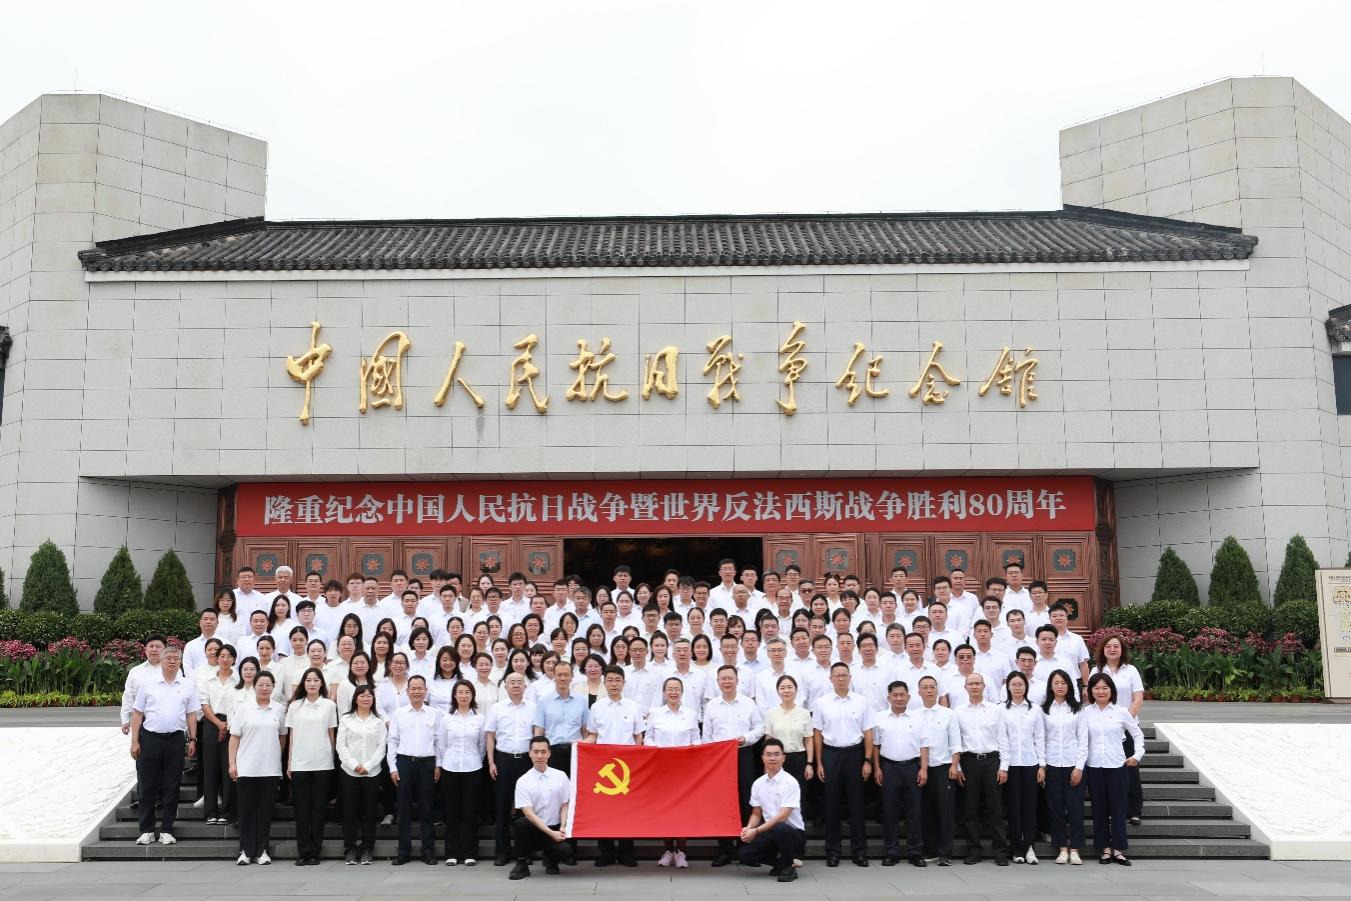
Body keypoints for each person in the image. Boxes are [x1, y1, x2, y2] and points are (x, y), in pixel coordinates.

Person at [129, 645, 200, 845]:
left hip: (176, 740)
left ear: (180, 662)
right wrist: (134, 741)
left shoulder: (187, 684)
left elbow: (191, 714)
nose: (172, 661)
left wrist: (193, 739)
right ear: (161, 661)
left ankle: (167, 829)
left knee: (172, 785)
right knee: (147, 785)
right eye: (168, 658)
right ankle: (146, 830)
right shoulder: (148, 683)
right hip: (150, 739)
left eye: (176, 659)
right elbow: (138, 713)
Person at [703, 664, 764, 867]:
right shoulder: (711, 706)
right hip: (719, 758)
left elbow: (759, 728)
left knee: (746, 799)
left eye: (730, 678)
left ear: (738, 681)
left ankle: (747, 849)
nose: (727, 682)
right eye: (723, 678)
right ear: (718, 682)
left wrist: (745, 738)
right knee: (722, 801)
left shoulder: (748, 703)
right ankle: (725, 849)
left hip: (743, 754)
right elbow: (707, 736)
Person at [813, 661, 873, 868]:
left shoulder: (861, 702)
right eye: (836, 675)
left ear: (850, 678)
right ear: (830, 679)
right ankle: (833, 852)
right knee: (831, 804)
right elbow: (817, 734)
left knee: (857, 804)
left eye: (844, 675)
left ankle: (859, 851)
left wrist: (867, 760)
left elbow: (868, 732)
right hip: (831, 754)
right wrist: (819, 763)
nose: (840, 678)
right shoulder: (822, 703)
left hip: (855, 754)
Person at [1083, 672, 1145, 866]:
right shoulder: (1085, 713)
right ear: (1091, 691)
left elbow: (1138, 734)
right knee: (1099, 809)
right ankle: (1104, 849)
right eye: (1096, 688)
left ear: (1111, 690)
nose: (1100, 691)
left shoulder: (1121, 712)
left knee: (1118, 809)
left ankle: (1118, 849)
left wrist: (1136, 756)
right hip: (1094, 767)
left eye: (1105, 688)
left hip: (1117, 767)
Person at [584, 665, 644, 867]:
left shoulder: (633, 706)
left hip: (628, 766)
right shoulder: (597, 707)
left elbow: (638, 737)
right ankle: (606, 853)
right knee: (604, 810)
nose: (614, 684)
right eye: (610, 680)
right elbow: (593, 735)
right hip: (604, 767)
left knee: (628, 810)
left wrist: (638, 762)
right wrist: (579, 745)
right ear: (605, 683)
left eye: (618, 680)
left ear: (624, 683)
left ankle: (626, 853)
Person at [229, 670, 287, 866]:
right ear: (254, 686)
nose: (264, 688)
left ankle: (262, 851)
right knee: (246, 812)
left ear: (273, 687)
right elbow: (234, 737)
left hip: (270, 769)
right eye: (260, 685)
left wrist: (275, 754)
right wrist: (232, 763)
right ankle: (245, 851)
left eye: (268, 685)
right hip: (247, 767)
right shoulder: (244, 709)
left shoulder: (279, 709)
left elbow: (282, 736)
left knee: (265, 812)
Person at [387, 675, 445, 865]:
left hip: (427, 764)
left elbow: (439, 742)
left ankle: (428, 850)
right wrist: (392, 767)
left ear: (426, 691)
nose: (417, 691)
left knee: (427, 809)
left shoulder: (435, 714)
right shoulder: (399, 714)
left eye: (420, 688)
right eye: (413, 688)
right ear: (407, 691)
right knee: (403, 810)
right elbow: (392, 740)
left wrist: (438, 764)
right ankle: (403, 851)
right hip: (404, 763)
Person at [870, 680, 928, 867]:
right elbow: (876, 746)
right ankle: (891, 851)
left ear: (909, 697)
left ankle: (915, 852)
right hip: (889, 767)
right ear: (888, 698)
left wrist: (924, 769)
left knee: (915, 811)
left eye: (902, 695)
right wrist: (877, 768)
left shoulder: (917, 718)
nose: (899, 698)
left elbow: (924, 746)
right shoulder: (879, 718)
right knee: (890, 811)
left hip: (912, 767)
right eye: (895, 695)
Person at [953, 672, 1009, 866]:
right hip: (969, 761)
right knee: (970, 808)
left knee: (995, 808)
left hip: (992, 760)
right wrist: (958, 767)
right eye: (971, 684)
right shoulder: (958, 712)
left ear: (984, 686)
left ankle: (1000, 851)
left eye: (978, 683)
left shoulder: (995, 710)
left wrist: (1004, 767)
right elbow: (956, 741)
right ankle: (973, 850)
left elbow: (1003, 739)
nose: (974, 687)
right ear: (965, 687)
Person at [645, 675, 701, 867]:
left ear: (682, 692)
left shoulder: (691, 714)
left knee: (683, 811)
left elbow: (696, 739)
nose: (673, 692)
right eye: (670, 689)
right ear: (664, 693)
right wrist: (657, 751)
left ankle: (681, 852)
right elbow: (648, 738)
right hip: (662, 770)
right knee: (665, 810)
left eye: (677, 688)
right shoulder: (655, 714)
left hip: (685, 771)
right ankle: (668, 850)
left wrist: (692, 750)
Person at [286, 667, 338, 866]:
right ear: (303, 683)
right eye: (308, 680)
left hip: (322, 763)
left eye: (316, 680)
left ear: (321, 683)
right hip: (300, 763)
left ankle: (315, 851)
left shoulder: (329, 705)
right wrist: (290, 762)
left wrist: (331, 758)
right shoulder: (295, 706)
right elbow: (291, 736)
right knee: (301, 810)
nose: (312, 683)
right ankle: (303, 851)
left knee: (318, 809)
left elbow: (331, 734)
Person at [1092, 635, 1146, 825]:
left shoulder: (1131, 670)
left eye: (1116, 646)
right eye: (1108, 646)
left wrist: (1125, 721)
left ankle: (1133, 810)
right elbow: (1092, 697)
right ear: (1103, 649)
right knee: (1109, 770)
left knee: (1130, 769)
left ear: (1122, 649)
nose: (1112, 649)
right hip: (1105, 728)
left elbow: (1138, 698)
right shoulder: (1096, 671)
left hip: (1128, 726)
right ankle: (1111, 809)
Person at [485, 672, 537, 866]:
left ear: (525, 687)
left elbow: (537, 735)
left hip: (526, 761)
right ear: (505, 686)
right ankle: (502, 852)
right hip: (503, 760)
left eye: (519, 682)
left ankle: (525, 852)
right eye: (512, 682)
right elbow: (490, 736)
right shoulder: (496, 708)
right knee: (502, 807)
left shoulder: (533, 708)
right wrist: (491, 762)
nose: (516, 685)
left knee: (526, 808)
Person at [737, 737, 804, 883]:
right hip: (770, 831)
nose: (772, 758)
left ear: (783, 758)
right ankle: (783, 863)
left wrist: (756, 831)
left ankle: (788, 868)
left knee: (781, 827)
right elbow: (756, 813)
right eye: (768, 754)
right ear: (762, 758)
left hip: (792, 833)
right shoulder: (758, 783)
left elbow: (783, 817)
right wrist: (749, 828)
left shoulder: (790, 782)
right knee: (744, 854)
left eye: (776, 754)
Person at [509, 735, 573, 880]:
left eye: (543, 752)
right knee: (521, 823)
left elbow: (565, 804)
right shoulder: (523, 781)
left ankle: (550, 858)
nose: (539, 756)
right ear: (530, 753)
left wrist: (563, 826)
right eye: (536, 752)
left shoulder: (561, 776)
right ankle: (521, 864)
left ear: (549, 753)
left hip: (556, 826)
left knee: (565, 851)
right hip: (535, 830)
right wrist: (551, 833)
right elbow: (529, 814)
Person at [438, 679, 487, 866]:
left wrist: (475, 759)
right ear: (454, 695)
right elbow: (442, 745)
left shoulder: (480, 719)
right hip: (450, 768)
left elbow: (482, 746)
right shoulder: (447, 719)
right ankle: (451, 853)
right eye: (460, 692)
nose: (464, 696)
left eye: (467, 692)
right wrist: (445, 762)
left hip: (473, 768)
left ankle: (469, 853)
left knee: (470, 812)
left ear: (472, 695)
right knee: (452, 812)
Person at [999, 671, 1045, 865]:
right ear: (1008, 687)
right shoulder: (1001, 709)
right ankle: (1017, 849)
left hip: (1030, 763)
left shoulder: (1035, 709)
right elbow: (1002, 739)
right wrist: (1003, 766)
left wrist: (1042, 765)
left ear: (1026, 687)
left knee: (1029, 807)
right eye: (1014, 684)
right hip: (1010, 765)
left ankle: (1029, 847)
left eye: (1020, 684)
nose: (1017, 687)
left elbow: (1039, 738)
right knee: (1014, 807)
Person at [1041, 669, 1087, 865]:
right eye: (1056, 683)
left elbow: (1083, 741)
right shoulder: (1044, 710)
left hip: (1072, 764)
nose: (1059, 686)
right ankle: (1061, 848)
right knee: (1056, 808)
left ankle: (1075, 849)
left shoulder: (1078, 709)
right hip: (1052, 764)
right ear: (1051, 686)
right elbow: (1041, 739)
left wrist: (1079, 767)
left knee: (1075, 808)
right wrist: (1042, 765)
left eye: (1063, 683)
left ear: (1069, 686)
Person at [336, 684, 384, 866]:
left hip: (372, 772)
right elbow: (341, 745)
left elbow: (381, 747)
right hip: (350, 772)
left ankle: (367, 849)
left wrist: (368, 766)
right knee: (349, 812)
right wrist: (355, 765)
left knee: (369, 813)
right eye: (362, 695)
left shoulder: (379, 720)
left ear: (373, 699)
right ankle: (350, 849)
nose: (365, 698)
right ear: (355, 698)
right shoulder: (346, 719)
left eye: (369, 695)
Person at [915, 675, 958, 865]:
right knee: (926, 810)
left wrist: (954, 765)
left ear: (937, 690)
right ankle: (930, 848)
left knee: (945, 811)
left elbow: (955, 742)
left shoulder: (948, 714)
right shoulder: (914, 715)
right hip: (921, 769)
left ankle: (945, 851)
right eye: (925, 687)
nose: (929, 690)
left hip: (943, 767)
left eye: (932, 687)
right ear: (919, 691)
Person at [199, 643, 237, 826]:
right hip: (211, 723)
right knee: (210, 768)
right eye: (222, 655)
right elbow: (203, 703)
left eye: (229, 656)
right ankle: (210, 812)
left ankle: (227, 812)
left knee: (228, 767)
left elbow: (240, 703)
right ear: (217, 658)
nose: (225, 659)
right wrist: (218, 723)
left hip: (233, 725)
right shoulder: (207, 678)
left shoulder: (238, 680)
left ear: (234, 659)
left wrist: (227, 725)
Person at [533, 659, 587, 775]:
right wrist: (539, 753)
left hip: (575, 751)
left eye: (566, 675)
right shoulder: (543, 701)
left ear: (572, 677)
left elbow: (585, 731)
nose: (563, 678)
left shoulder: (582, 701)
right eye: (559, 675)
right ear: (554, 676)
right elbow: (539, 731)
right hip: (552, 752)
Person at [120, 635, 166, 736]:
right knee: (140, 745)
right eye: (151, 646)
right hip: (141, 718)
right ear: (145, 650)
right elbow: (128, 696)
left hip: (167, 719)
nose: (154, 649)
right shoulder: (135, 671)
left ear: (165, 650)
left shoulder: (173, 671)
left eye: (158, 646)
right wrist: (125, 720)